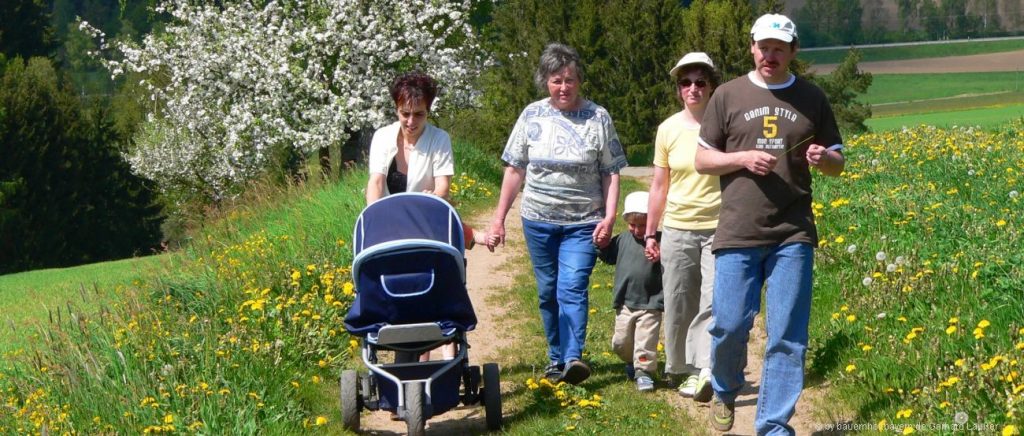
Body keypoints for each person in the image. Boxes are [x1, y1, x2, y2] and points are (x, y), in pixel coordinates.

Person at [694, 13, 846, 434]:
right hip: (738, 230)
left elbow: (837, 160)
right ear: (752, 48)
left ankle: (774, 425)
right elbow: (702, 158)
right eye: (764, 47)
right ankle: (725, 388)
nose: (770, 55)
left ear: (793, 51)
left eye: (779, 48)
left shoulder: (812, 97)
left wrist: (824, 158)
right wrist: (741, 158)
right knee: (728, 325)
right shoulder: (727, 95)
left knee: (786, 336)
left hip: (793, 232)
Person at [487, 42, 627, 386]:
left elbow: (611, 171)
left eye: (569, 80)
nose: (563, 87)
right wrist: (498, 218)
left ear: (579, 81)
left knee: (573, 286)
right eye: (555, 80)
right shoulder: (531, 116)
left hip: (583, 222)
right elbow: (515, 170)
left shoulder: (598, 117)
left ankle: (573, 356)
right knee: (548, 290)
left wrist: (609, 217)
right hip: (537, 220)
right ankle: (555, 357)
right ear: (545, 82)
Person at [643, 52, 721, 403]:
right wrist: (650, 231)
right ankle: (678, 367)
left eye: (700, 82)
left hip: (720, 225)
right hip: (677, 226)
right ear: (678, 90)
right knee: (677, 299)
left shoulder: (726, 123)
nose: (693, 88)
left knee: (713, 299)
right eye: (685, 83)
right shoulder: (668, 129)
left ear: (711, 86)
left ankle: (707, 368)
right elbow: (659, 185)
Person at [596, 192, 664, 392]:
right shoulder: (623, 240)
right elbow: (608, 257)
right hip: (625, 301)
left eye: (642, 225)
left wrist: (660, 257)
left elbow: (672, 264)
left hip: (651, 302)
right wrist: (600, 244)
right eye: (632, 225)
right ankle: (631, 361)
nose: (637, 230)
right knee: (620, 342)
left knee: (646, 340)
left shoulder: (660, 241)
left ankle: (644, 372)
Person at [366, 72, 453, 204]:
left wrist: (432, 197)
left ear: (428, 112)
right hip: (387, 217)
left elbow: (443, 187)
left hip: (424, 216)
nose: (411, 122)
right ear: (397, 110)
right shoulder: (382, 136)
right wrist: (372, 215)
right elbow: (376, 182)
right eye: (405, 114)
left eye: (419, 114)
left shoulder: (440, 138)